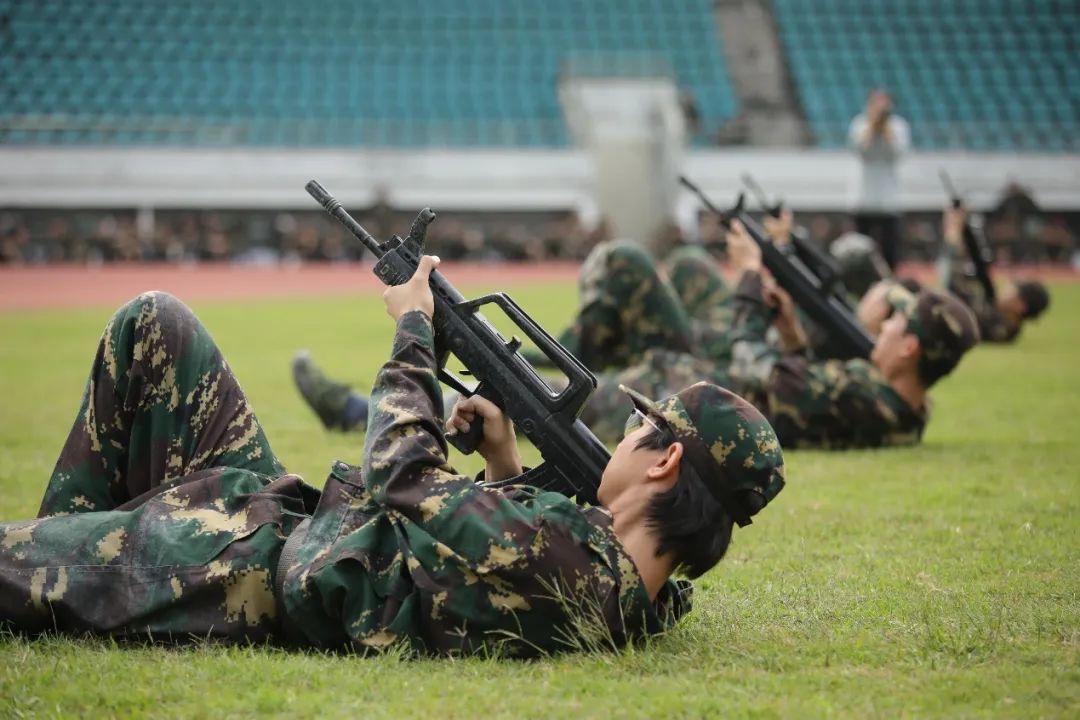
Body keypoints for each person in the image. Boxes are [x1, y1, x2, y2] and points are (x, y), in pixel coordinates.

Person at [0, 257, 785, 657]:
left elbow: (402, 477)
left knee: (15, 564)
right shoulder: (625, 583)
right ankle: (74, 562)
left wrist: (413, 331)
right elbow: (497, 564)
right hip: (292, 520)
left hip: (242, 564)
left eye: (642, 426)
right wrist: (504, 460)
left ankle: (69, 567)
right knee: (155, 326)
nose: (627, 433)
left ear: (664, 464)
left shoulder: (576, 562)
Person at [297, 224, 980, 450]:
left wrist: (750, 285)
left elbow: (759, 373)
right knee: (673, 267)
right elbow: (793, 380)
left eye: (896, 323)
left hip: (684, 392)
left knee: (526, 397)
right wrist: (793, 333)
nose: (884, 325)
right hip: (698, 371)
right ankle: (534, 353)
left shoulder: (879, 403)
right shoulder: (892, 402)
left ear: (911, 349)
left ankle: (360, 410)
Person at [939, 206, 1050, 343]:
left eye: (1012, 289)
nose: (1005, 288)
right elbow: (979, 269)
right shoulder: (1002, 321)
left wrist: (953, 231)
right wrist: (963, 229)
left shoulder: (997, 325)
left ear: (1020, 306)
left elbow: (954, 288)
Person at [849, 89, 910, 269]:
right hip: (863, 197)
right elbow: (859, 150)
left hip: (888, 198)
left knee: (889, 248)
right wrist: (872, 127)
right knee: (861, 249)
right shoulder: (860, 123)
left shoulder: (898, 126)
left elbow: (898, 153)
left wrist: (886, 130)